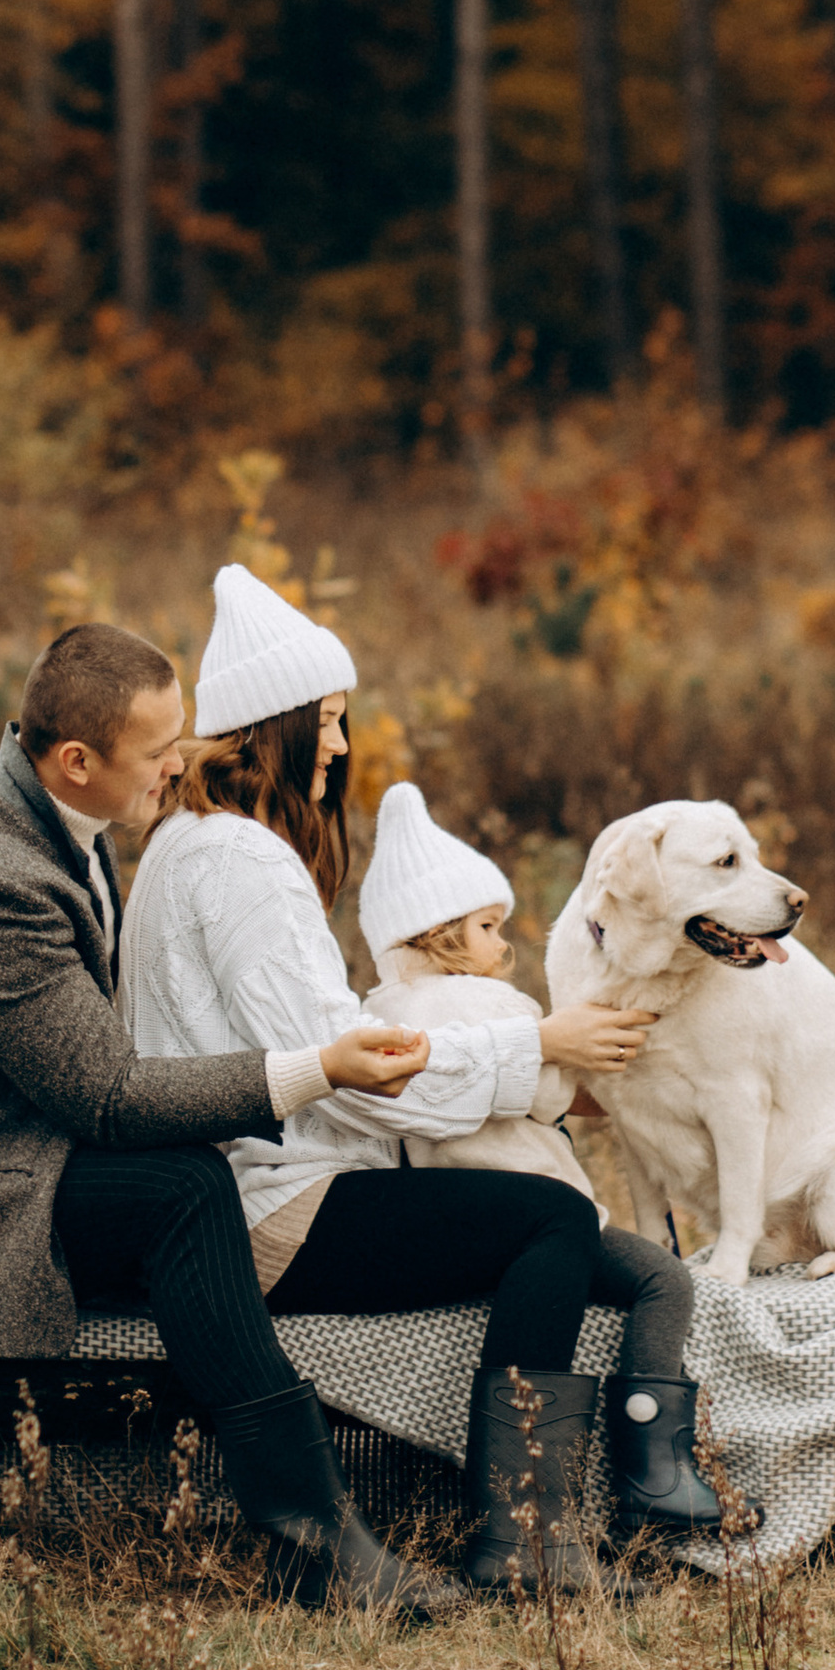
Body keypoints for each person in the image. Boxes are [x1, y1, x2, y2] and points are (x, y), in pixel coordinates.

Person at [0, 618, 463, 1617]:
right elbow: (103, 1099)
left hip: (1, 1152)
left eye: (180, 735)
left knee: (185, 1175)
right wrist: (313, 1069)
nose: (181, 762)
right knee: (181, 1187)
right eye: (158, 752)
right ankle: (311, 1535)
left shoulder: (43, 811)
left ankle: (309, 1529)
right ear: (75, 761)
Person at [118, 564, 693, 1591]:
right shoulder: (242, 862)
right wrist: (537, 1051)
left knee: (550, 1232)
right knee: (543, 1223)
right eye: (328, 722)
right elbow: (354, 1074)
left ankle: (549, 1522)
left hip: (245, 1189)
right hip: (264, 1209)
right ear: (273, 727)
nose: (340, 746)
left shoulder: (186, 843)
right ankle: (525, 1538)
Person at [357, 780, 718, 1538]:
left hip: (454, 1229)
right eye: (488, 926)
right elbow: (559, 1091)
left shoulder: (372, 1016)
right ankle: (653, 1463)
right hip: (541, 1223)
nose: (502, 945)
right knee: (662, 1279)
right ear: (438, 933)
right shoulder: (498, 1011)